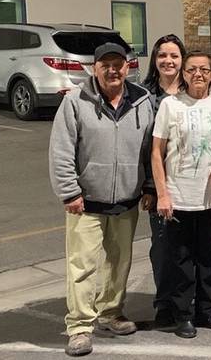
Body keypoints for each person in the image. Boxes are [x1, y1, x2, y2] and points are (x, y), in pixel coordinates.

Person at [49, 43, 155, 357]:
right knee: (82, 266)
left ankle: (110, 313)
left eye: (118, 64)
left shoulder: (142, 101)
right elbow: (61, 151)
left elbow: (150, 150)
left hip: (127, 200)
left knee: (119, 263)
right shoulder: (75, 101)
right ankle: (80, 327)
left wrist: (148, 186)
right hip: (86, 202)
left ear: (128, 66)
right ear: (94, 68)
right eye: (105, 65)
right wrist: (69, 191)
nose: (113, 70)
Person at [151, 52, 211, 338]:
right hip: (179, 195)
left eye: (204, 69)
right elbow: (157, 152)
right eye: (191, 69)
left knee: (207, 256)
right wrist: (162, 195)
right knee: (180, 258)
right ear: (184, 74)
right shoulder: (170, 105)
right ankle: (183, 315)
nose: (198, 74)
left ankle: (208, 310)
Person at [140, 34, 187, 330]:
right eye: (162, 55)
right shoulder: (142, 95)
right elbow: (141, 145)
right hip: (157, 185)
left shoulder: (196, 93)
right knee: (162, 247)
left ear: (182, 60)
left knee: (190, 247)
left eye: (174, 55)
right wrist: (148, 187)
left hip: (190, 183)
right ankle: (165, 304)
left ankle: (190, 301)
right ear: (155, 60)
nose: (168, 61)